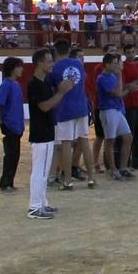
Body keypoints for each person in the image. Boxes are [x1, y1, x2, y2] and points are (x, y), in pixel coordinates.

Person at [28, 47, 75, 219]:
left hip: (45, 130)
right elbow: (45, 106)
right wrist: (62, 92)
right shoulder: (35, 84)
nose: (52, 64)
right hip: (41, 132)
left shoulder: (44, 82)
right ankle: (35, 207)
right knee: (40, 171)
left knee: (42, 171)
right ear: (40, 63)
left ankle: (42, 203)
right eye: (48, 61)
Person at [49, 38, 95, 189]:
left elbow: (54, 88)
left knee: (66, 144)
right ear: (69, 50)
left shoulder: (55, 68)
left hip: (64, 108)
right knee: (84, 142)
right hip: (81, 106)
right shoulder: (78, 64)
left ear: (55, 51)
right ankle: (91, 178)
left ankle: (68, 180)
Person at [95, 52, 135, 179]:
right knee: (110, 140)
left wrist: (128, 89)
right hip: (108, 111)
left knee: (128, 137)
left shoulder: (111, 76)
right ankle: (113, 170)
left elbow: (120, 93)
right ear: (107, 65)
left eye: (117, 63)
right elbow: (118, 93)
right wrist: (121, 78)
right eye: (114, 63)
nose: (117, 65)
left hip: (117, 110)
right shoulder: (102, 78)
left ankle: (123, 167)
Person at [0, 56, 24, 192]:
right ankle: (5, 182)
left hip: (16, 126)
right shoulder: (7, 84)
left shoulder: (15, 84)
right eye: (19, 66)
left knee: (14, 155)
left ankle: (9, 182)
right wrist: (2, 122)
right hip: (10, 125)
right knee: (11, 155)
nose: (21, 69)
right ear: (13, 68)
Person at [120, 45, 138, 169]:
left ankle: (136, 160)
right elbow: (123, 85)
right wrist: (135, 83)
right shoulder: (123, 67)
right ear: (125, 53)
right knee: (129, 132)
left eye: (133, 52)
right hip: (128, 103)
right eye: (128, 52)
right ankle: (129, 160)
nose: (131, 55)